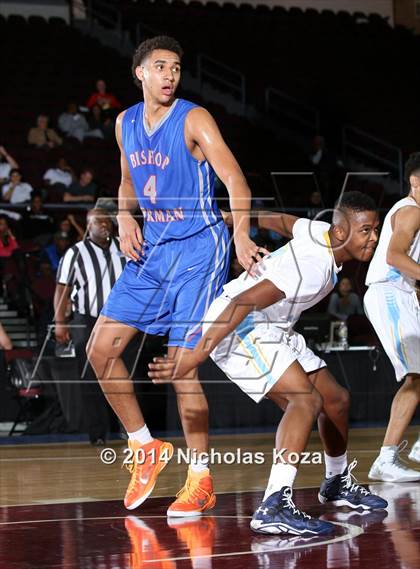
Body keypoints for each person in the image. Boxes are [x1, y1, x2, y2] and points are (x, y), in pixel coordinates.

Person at [86, 35, 261, 516]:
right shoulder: (125, 124)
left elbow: (236, 179)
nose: (170, 75)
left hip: (198, 248)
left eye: (176, 68)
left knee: (182, 364)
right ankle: (144, 445)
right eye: (160, 66)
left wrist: (242, 236)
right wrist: (124, 216)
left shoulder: (194, 118)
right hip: (153, 250)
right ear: (139, 72)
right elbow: (126, 181)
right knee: (100, 349)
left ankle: (201, 477)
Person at [149, 191, 388, 536]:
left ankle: (336, 481)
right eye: (366, 231)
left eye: (375, 229)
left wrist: (236, 221)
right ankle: (273, 505)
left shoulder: (318, 232)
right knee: (305, 401)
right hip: (240, 326)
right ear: (341, 233)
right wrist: (195, 356)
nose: (374, 237)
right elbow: (242, 303)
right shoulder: (312, 268)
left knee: (336, 400)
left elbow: (282, 221)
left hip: (273, 324)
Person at [364, 152, 420, 482]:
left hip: (401, 294)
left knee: (418, 376)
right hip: (388, 292)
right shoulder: (411, 211)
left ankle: (406, 451)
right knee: (416, 376)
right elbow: (394, 256)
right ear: (415, 183)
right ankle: (386, 458)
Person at [54, 208, 127, 444]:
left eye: (107, 221)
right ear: (88, 226)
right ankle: (97, 434)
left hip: (122, 319)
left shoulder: (124, 246)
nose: (104, 225)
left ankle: (131, 430)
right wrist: (60, 323)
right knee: (90, 378)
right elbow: (61, 290)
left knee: (127, 375)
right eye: (99, 222)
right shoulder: (75, 253)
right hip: (87, 319)